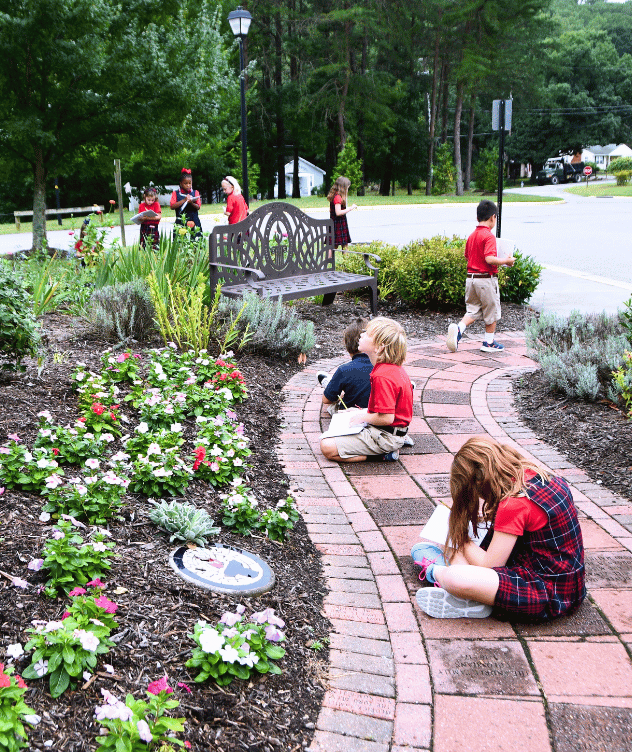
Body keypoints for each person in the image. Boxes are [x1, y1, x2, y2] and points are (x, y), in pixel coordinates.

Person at [413, 436, 586, 622]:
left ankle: (436, 572)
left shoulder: (513, 505)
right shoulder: (542, 477)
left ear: (480, 484)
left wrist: (459, 537)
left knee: (450, 572)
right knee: (437, 552)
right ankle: (474, 598)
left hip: (544, 595)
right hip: (570, 587)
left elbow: (490, 567)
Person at [320, 317, 413, 463]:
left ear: (379, 347)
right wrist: (359, 411)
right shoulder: (389, 369)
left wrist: (361, 417)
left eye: (367, 333)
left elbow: (387, 418)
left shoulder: (382, 376)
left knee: (327, 446)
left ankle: (383, 455)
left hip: (385, 436)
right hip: (388, 432)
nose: (362, 335)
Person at [446, 200, 515, 354]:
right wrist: (506, 261)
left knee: (473, 310)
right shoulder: (488, 236)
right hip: (485, 279)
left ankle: (458, 329)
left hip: (471, 279)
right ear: (493, 217)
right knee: (492, 311)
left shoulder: (472, 236)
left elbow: (467, 256)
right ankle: (488, 342)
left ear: (478, 218)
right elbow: (489, 259)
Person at [318, 319, 373, 414]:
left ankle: (332, 387)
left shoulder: (344, 370)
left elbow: (326, 400)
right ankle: (335, 387)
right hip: (378, 415)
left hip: (352, 414)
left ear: (347, 345)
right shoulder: (383, 367)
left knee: (332, 407)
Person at [327, 176, 357, 252]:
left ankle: (343, 263)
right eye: (347, 188)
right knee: (334, 245)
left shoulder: (335, 196)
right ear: (343, 188)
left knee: (342, 244)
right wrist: (351, 208)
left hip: (337, 223)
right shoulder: (338, 197)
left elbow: (331, 210)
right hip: (338, 224)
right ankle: (327, 262)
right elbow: (338, 212)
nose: (347, 190)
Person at [170, 168, 202, 238]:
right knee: (180, 241)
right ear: (181, 183)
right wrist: (184, 200)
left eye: (189, 183)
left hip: (194, 220)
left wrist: (191, 203)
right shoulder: (176, 193)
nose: (188, 185)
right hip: (180, 221)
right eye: (185, 183)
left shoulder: (195, 192)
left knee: (195, 240)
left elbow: (198, 207)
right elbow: (172, 206)